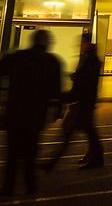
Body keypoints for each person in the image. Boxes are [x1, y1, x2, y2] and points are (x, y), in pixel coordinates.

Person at [0, 29, 62, 197]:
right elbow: (56, 90)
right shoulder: (51, 62)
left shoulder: (17, 57)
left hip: (15, 111)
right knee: (31, 150)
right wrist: (56, 110)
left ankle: (9, 186)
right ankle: (30, 184)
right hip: (36, 113)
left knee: (12, 152)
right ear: (47, 43)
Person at [43, 32, 104, 171]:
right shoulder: (89, 59)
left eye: (82, 43)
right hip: (84, 102)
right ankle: (97, 158)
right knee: (88, 133)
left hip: (81, 103)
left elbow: (84, 82)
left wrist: (69, 92)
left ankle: (52, 162)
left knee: (69, 133)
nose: (80, 46)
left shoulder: (90, 61)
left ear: (88, 44)